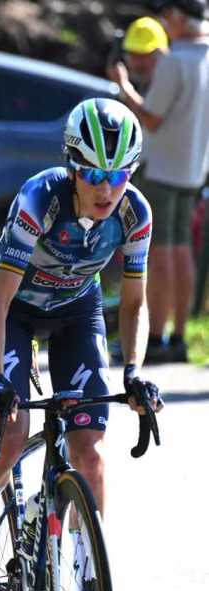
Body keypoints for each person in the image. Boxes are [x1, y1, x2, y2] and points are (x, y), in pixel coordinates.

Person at [0, 98, 163, 591]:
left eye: (118, 174)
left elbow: (134, 302)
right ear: (73, 168)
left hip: (77, 310)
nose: (106, 188)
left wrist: (134, 370)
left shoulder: (136, 212)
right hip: (17, 309)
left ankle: (84, 577)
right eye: (93, 173)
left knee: (89, 451)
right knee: (13, 433)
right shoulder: (38, 201)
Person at [109, 0, 209, 362]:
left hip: (161, 169)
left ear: (180, 18)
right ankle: (179, 336)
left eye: (167, 17)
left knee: (159, 253)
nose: (164, 25)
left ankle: (153, 338)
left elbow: (150, 119)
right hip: (193, 169)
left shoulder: (174, 61)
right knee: (183, 250)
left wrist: (123, 86)